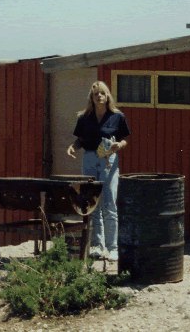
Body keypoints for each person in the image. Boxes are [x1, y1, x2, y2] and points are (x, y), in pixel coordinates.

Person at [67, 81, 130, 261]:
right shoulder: (84, 118)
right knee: (91, 203)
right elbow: (79, 140)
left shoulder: (117, 116)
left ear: (107, 96)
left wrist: (119, 145)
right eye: (96, 94)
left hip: (108, 159)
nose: (100, 96)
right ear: (92, 98)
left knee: (109, 202)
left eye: (103, 93)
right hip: (89, 158)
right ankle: (97, 246)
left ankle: (113, 248)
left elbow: (124, 139)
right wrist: (72, 147)